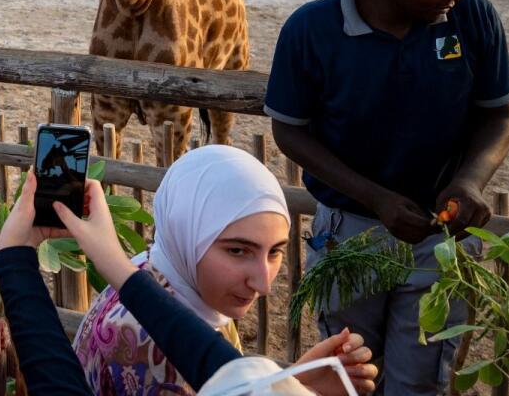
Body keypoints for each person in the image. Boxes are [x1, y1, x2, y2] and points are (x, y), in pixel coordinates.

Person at [267, 0, 509, 394]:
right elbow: (290, 131)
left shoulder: (473, 19)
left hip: (439, 240)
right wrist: (374, 198)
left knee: (419, 380)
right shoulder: (311, 30)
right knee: (349, 375)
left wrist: (469, 180)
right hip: (348, 237)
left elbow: (499, 114)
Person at [72, 145, 376, 396]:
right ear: (187, 234)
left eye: (275, 251)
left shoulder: (152, 270)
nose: (264, 284)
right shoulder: (154, 352)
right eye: (237, 250)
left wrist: (294, 384)